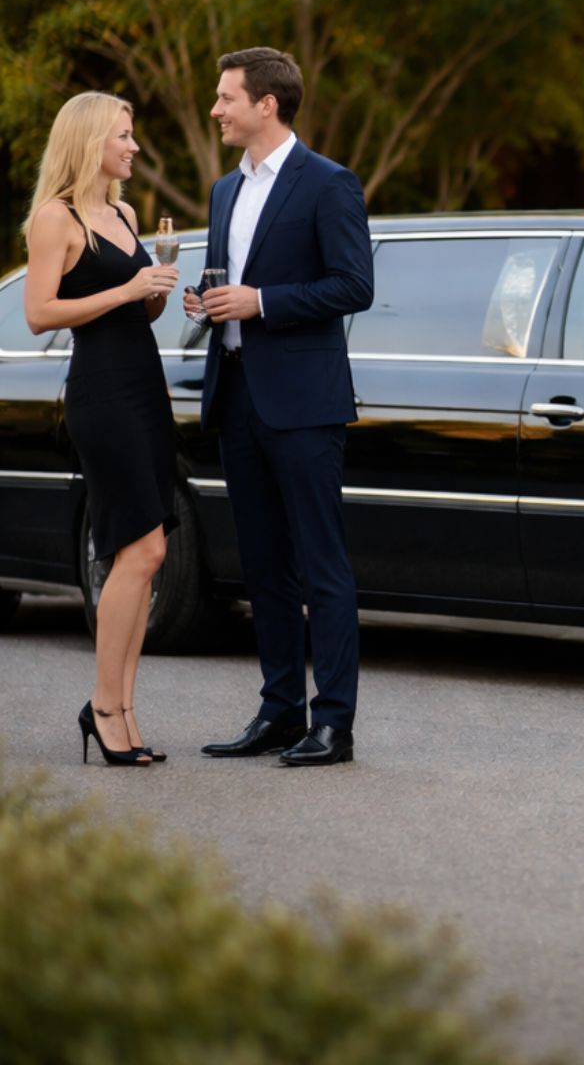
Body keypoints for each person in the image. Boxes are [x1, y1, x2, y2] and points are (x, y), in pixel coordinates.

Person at [189, 48, 373, 767]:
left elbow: (352, 286)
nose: (215, 109)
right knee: (264, 566)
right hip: (236, 394)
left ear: (267, 104)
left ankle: (333, 723)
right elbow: (228, 285)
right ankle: (278, 712)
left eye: (226, 97)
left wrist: (261, 302)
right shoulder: (222, 192)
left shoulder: (329, 183)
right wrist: (210, 305)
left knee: (321, 564)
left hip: (303, 404)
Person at [22, 93, 181, 766]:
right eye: (124, 135)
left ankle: (125, 709)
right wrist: (125, 289)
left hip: (144, 386)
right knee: (138, 550)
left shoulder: (123, 212)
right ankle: (103, 706)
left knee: (148, 554)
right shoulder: (53, 219)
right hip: (101, 395)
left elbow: (135, 315)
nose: (134, 147)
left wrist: (157, 294)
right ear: (90, 141)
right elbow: (39, 313)